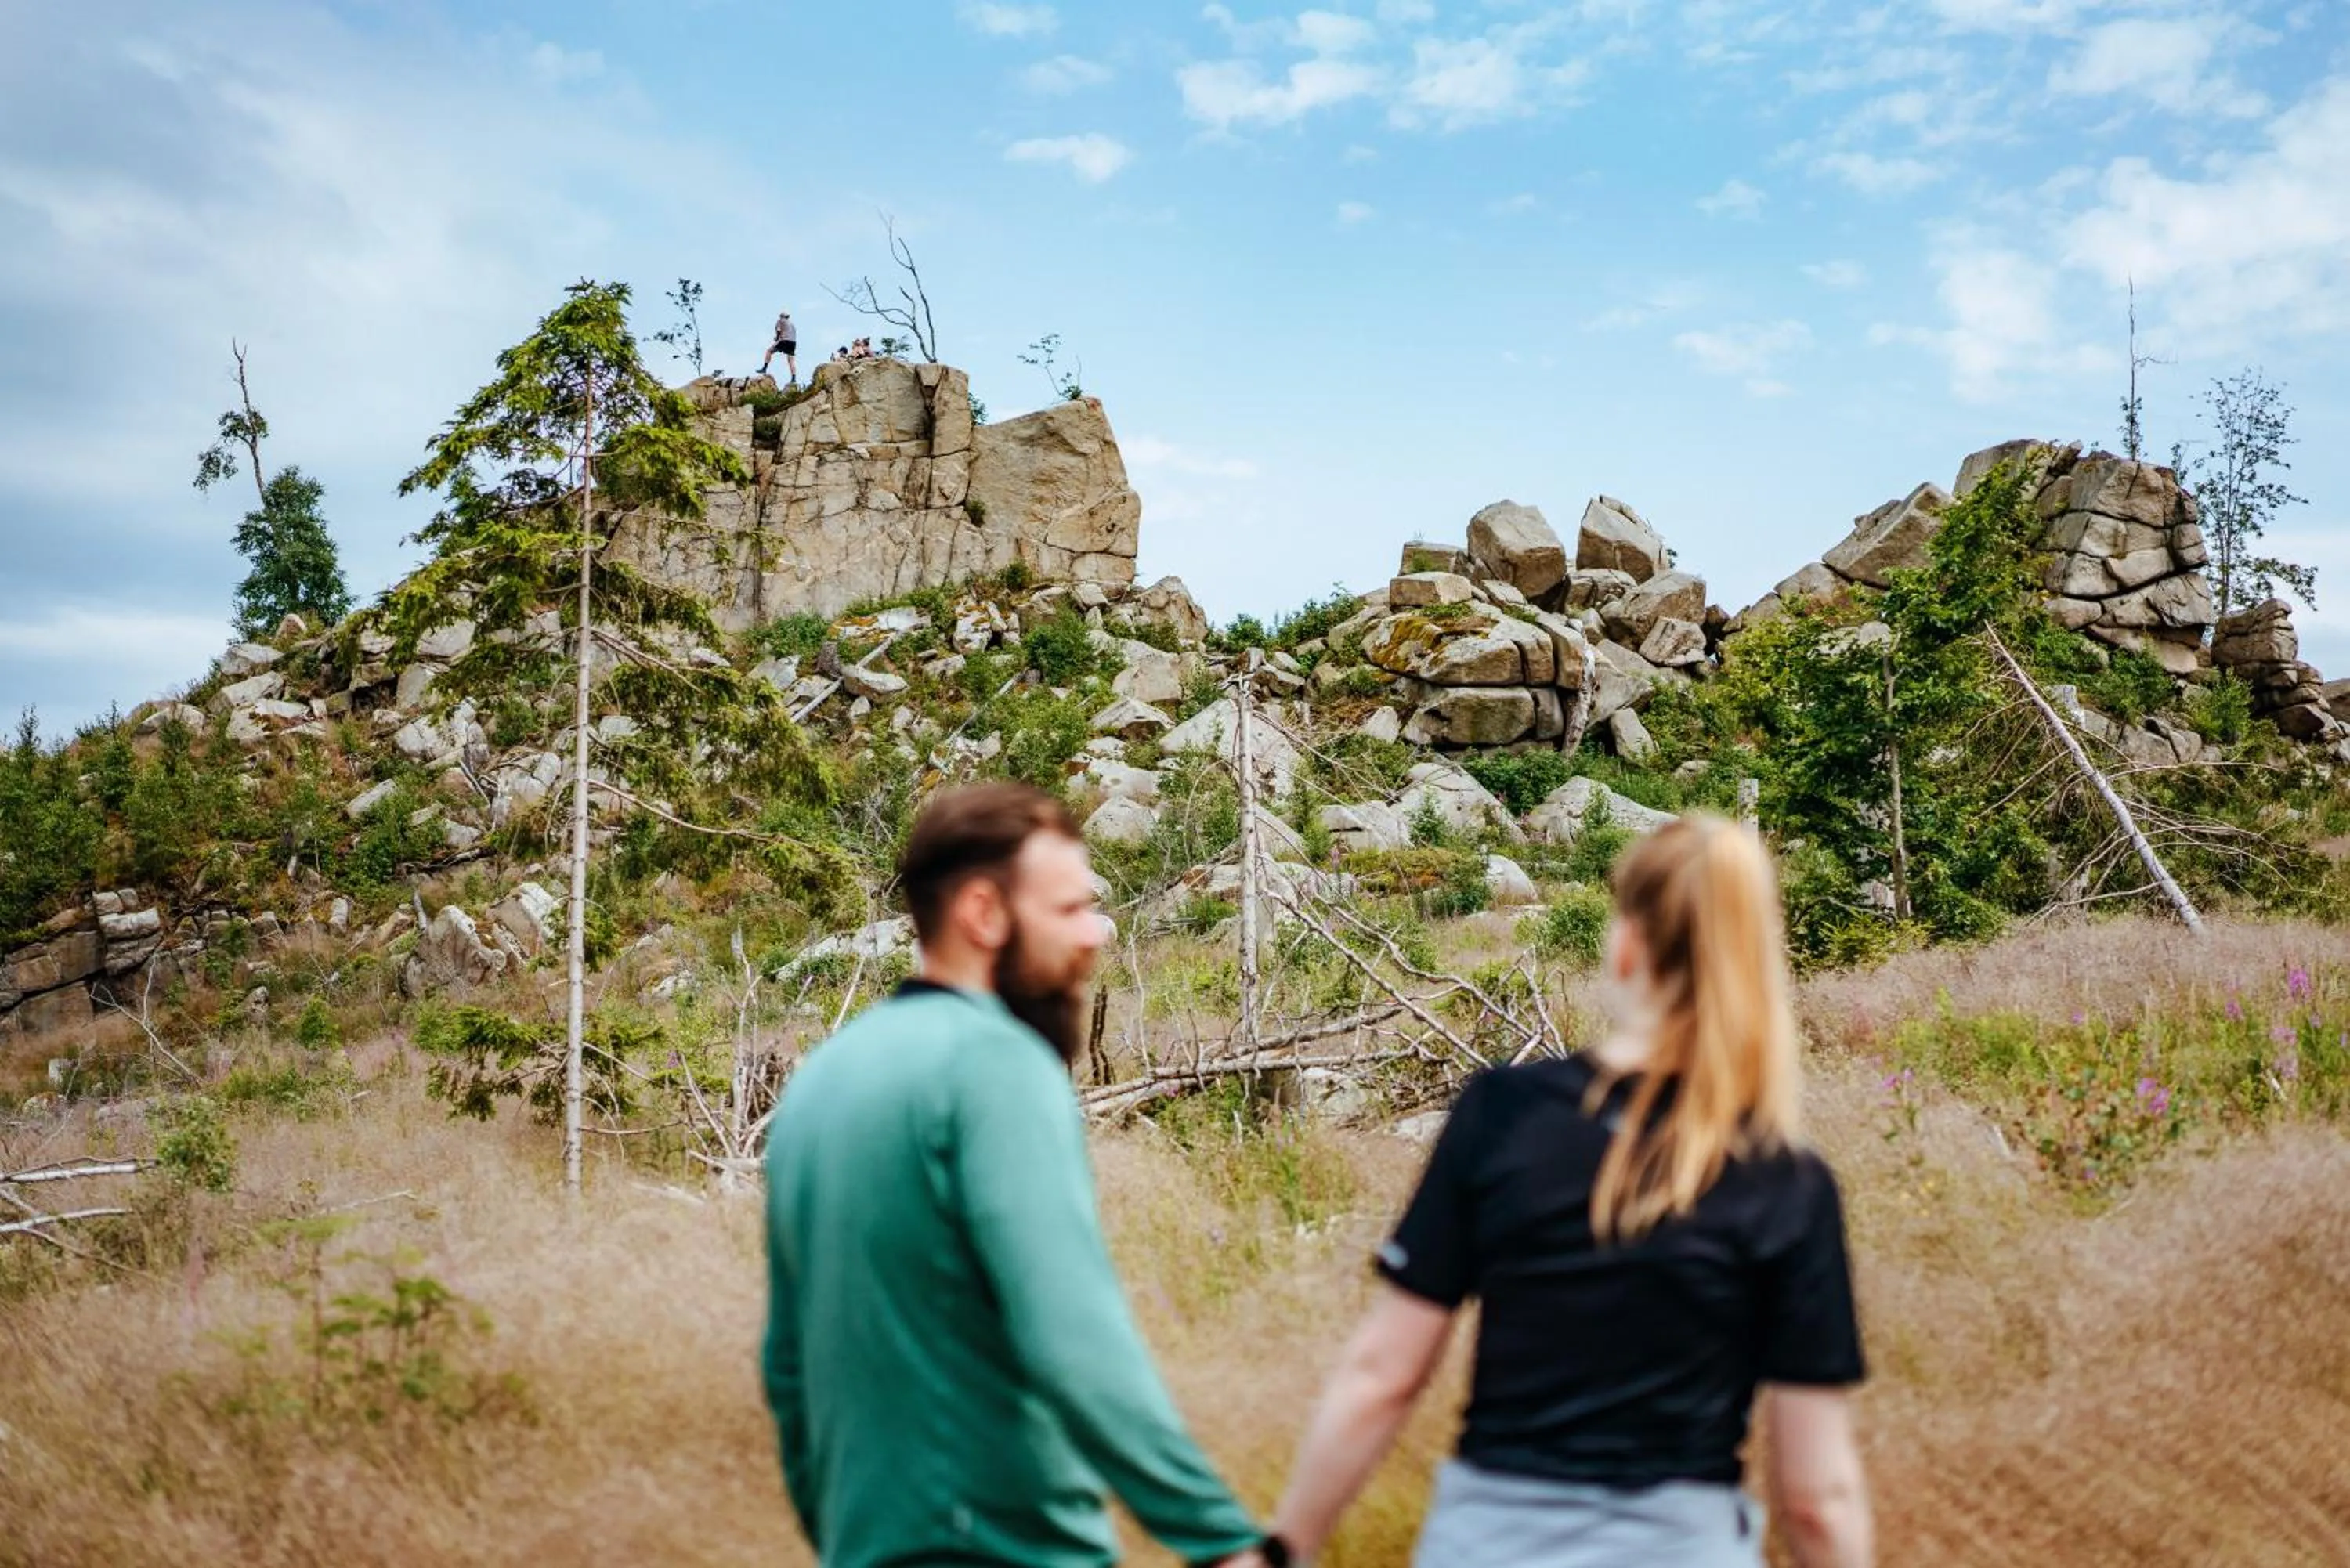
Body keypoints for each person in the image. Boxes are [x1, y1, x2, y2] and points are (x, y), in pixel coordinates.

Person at [1269, 815, 1872, 1567]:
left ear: (1627, 944)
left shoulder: (1504, 1113)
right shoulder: (1787, 1182)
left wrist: (1283, 1548)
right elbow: (1816, 1498)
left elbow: (1383, 1377)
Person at [762, 782, 1275, 1568]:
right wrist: (1220, 1539)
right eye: (1068, 909)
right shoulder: (998, 1065)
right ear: (984, 912)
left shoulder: (820, 1083)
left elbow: (788, 1370)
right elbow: (1072, 1335)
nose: (1094, 935)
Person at [758, 308, 797, 384]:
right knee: (791, 361)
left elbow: (778, 330)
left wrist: (777, 338)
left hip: (784, 340)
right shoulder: (792, 324)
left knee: (769, 351)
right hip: (793, 343)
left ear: (781, 316)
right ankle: (793, 378)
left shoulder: (780, 321)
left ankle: (764, 368)